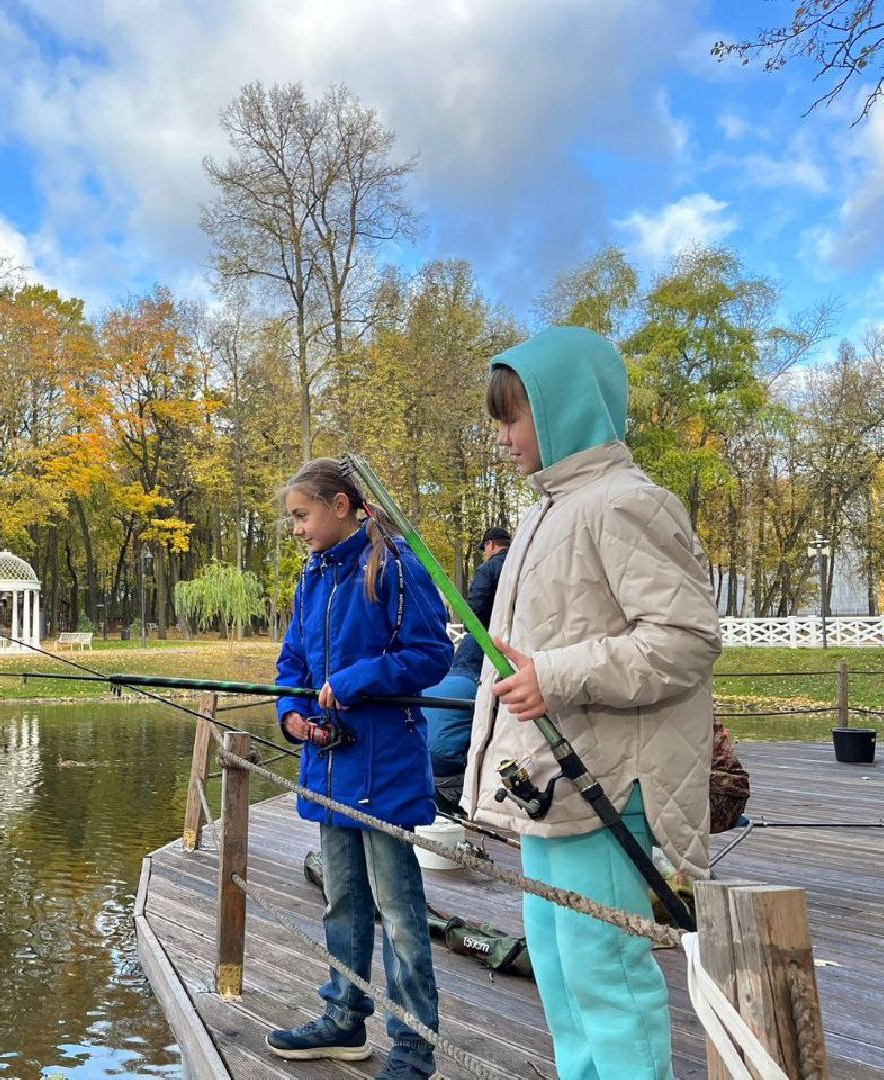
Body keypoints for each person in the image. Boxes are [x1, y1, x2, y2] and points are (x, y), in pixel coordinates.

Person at [462, 327, 720, 1080]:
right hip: (554, 788)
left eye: (514, 417)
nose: (504, 437)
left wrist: (559, 675)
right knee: (559, 970)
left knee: (606, 974)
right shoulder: (548, 509)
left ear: (564, 407)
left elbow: (684, 641)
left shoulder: (628, 503)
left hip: (611, 782)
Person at [266, 458, 454, 1080]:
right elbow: (292, 662)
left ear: (340, 506)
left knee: (399, 913)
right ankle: (344, 1018)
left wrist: (356, 681)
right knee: (342, 902)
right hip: (327, 764)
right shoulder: (311, 577)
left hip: (386, 768)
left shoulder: (397, 566)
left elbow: (431, 655)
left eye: (301, 515)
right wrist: (292, 714)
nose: (296, 528)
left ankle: (413, 1047)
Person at [423, 526, 511, 794]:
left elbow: (475, 610)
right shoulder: (524, 562)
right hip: (519, 645)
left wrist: (477, 636)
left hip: (488, 644)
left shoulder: (489, 569)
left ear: (490, 546)